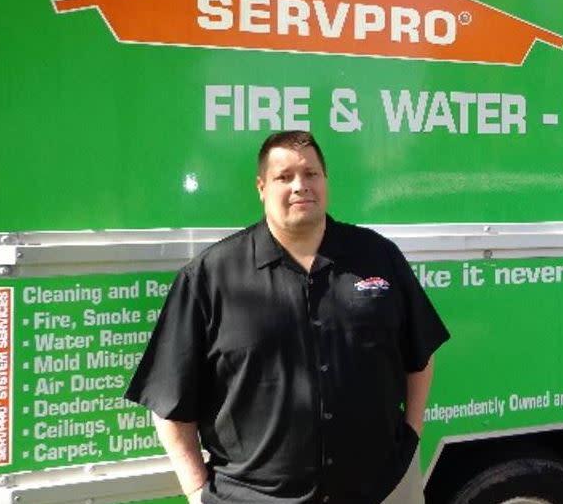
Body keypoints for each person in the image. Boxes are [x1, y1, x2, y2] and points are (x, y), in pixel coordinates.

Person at [125, 131, 450, 504]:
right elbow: (168, 402)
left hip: (381, 489)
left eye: (311, 174)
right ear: (262, 187)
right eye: (285, 177)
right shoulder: (211, 277)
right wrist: (198, 493)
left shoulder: (379, 256)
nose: (301, 186)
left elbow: (419, 356)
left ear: (325, 181)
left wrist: (412, 431)